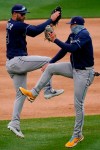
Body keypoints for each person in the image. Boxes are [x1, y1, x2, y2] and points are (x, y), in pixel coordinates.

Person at [19, 16, 95, 147]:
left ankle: (77, 135)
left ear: (77, 24)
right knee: (51, 68)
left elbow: (72, 49)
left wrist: (55, 40)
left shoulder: (84, 35)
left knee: (78, 105)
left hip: (84, 73)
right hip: (74, 68)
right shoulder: (73, 34)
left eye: (72, 24)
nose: (70, 26)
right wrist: (50, 62)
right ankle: (33, 93)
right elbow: (64, 50)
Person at [6, 4, 64, 138]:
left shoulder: (11, 23)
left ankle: (14, 123)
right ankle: (47, 90)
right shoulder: (17, 25)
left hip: (11, 64)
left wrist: (50, 21)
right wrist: (51, 19)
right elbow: (35, 30)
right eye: (22, 14)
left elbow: (33, 29)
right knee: (48, 61)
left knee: (21, 94)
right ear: (15, 13)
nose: (24, 16)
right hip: (17, 62)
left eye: (25, 13)